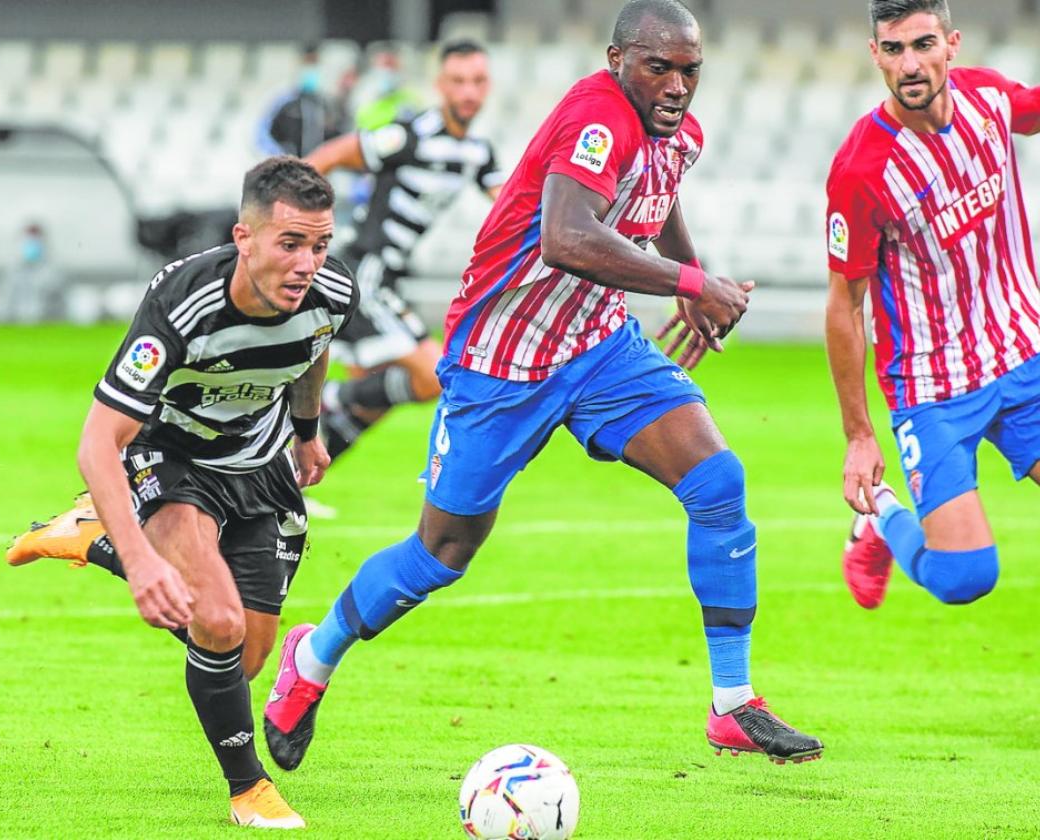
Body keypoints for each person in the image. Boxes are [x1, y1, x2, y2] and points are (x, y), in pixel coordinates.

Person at [262, 0, 823, 774]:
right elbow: (567, 237)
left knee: (718, 481)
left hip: (598, 348)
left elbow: (655, 200)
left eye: (690, 70)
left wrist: (688, 280)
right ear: (616, 58)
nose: (676, 85)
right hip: (502, 360)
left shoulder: (675, 133)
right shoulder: (598, 117)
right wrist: (691, 279)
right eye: (658, 66)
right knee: (442, 552)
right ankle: (313, 656)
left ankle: (732, 702)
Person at [9, 157, 358, 829]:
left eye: (319, 245)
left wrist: (308, 430)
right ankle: (247, 788)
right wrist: (144, 563)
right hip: (168, 462)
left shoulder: (333, 290)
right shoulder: (183, 301)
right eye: (290, 243)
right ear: (243, 238)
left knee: (243, 658)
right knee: (218, 620)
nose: (307, 263)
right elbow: (96, 444)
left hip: (258, 468)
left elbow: (315, 345)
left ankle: (93, 538)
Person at [825, 0, 1040, 610]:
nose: (910, 64)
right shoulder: (862, 170)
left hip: (1023, 352)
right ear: (875, 56)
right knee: (963, 579)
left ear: (952, 43)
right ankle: (880, 520)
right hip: (933, 387)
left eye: (923, 45)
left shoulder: (990, 101)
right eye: (893, 50)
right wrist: (859, 435)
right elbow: (845, 303)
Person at [306, 39, 504, 463]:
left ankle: (288, 485)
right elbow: (329, 155)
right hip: (366, 274)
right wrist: (299, 219)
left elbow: (513, 206)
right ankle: (315, 400)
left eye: (478, 81)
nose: (468, 92)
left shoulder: (478, 152)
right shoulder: (409, 135)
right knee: (436, 376)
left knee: (373, 400)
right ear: (440, 85)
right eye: (458, 81)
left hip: (388, 277)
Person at [255, 43, 346, 159]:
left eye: (314, 63)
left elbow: (337, 136)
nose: (311, 68)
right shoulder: (282, 100)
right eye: (307, 63)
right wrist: (282, 158)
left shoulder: (325, 102)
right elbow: (261, 135)